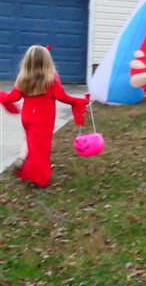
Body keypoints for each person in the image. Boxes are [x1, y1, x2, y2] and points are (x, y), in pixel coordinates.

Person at [0, 45, 89, 187]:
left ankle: (26, 165)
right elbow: (62, 97)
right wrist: (78, 101)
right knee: (41, 149)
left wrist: (2, 96)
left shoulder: (22, 79)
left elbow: (13, 97)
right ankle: (39, 179)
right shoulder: (51, 79)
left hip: (28, 117)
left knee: (32, 145)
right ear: (48, 61)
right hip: (44, 119)